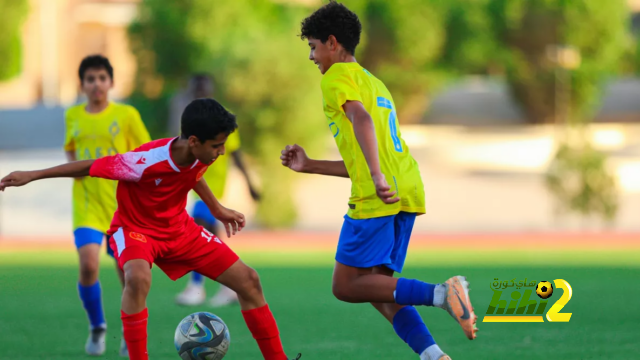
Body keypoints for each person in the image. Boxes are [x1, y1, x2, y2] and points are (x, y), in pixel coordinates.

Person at [2, 98, 300, 360]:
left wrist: (217, 209)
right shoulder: (143, 162)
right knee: (137, 278)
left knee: (249, 280)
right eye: (217, 145)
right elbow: (89, 166)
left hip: (180, 231)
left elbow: (192, 175)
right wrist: (32, 174)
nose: (222, 152)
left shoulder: (198, 153)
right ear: (194, 141)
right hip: (136, 230)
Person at [280, 2, 477, 359]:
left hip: (378, 191)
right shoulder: (374, 82)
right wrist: (310, 165)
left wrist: (375, 176)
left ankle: (442, 293)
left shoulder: (336, 78)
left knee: (344, 286)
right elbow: (370, 148)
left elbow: (361, 121)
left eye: (313, 46)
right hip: (406, 187)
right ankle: (434, 356)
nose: (312, 56)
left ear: (333, 43)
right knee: (381, 288)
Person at [64, 54, 151, 356]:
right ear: (82, 84)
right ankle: (97, 326)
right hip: (86, 205)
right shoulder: (73, 116)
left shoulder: (127, 115)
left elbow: (145, 153)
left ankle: (131, 333)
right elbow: (71, 151)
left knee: (128, 274)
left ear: (111, 82)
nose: (97, 84)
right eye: (90, 79)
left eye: (102, 78)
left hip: (122, 209)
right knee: (88, 266)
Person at [174, 75, 261, 308]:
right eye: (197, 89)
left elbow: (236, 154)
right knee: (209, 235)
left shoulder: (221, 119)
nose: (201, 93)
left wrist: (250, 184)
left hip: (212, 186)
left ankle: (196, 286)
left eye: (205, 89)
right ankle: (230, 284)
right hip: (193, 184)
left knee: (199, 226)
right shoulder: (191, 120)